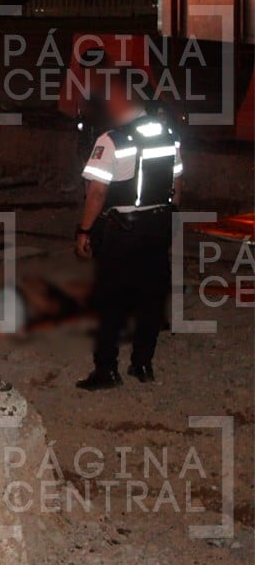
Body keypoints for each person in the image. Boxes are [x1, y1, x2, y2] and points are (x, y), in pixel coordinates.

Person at [74, 77, 183, 390]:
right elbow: (177, 187)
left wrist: (84, 230)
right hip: (158, 226)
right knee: (151, 297)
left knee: (111, 300)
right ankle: (143, 364)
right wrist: (165, 217)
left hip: (124, 230)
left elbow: (96, 193)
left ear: (122, 102)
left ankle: (106, 370)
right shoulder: (168, 134)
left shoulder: (112, 140)